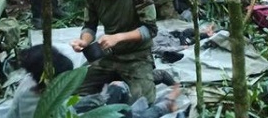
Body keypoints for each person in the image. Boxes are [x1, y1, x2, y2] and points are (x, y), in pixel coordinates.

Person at [71, 0, 158, 103]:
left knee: (143, 101)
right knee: (71, 91)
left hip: (137, 56)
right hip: (109, 56)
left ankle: (156, 75)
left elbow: (150, 29)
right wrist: (84, 41)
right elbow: (89, 26)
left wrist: (118, 37)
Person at [10, 44, 180, 118]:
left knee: (119, 92)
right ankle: (165, 105)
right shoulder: (35, 99)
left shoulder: (35, 82)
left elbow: (66, 105)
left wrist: (102, 97)